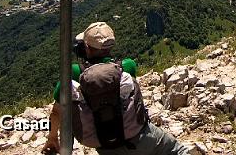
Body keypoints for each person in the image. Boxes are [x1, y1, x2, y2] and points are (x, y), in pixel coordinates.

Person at [43, 22, 187, 155]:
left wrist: (52, 137)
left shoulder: (73, 72)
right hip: (140, 138)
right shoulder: (127, 66)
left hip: (106, 147)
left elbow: (56, 112)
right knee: (178, 150)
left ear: (86, 47)